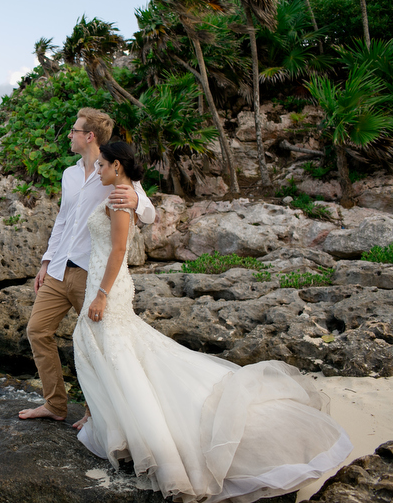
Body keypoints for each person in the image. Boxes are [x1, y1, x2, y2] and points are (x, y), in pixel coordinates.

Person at [73, 140, 352, 503]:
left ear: (117, 167)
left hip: (108, 286)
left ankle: (145, 437)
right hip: (100, 279)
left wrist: (102, 294)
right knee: (106, 352)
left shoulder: (122, 198)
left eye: (103, 165)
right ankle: (114, 424)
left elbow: (121, 249)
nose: (98, 170)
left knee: (118, 353)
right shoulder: (115, 193)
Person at [18, 108, 156, 422]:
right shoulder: (69, 174)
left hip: (89, 273)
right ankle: (55, 405)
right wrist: (46, 261)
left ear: (89, 136)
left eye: (74, 130)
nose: (70, 134)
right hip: (57, 270)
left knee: (96, 345)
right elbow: (63, 220)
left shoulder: (110, 171)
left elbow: (149, 212)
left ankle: (97, 413)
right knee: (37, 331)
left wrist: (137, 202)